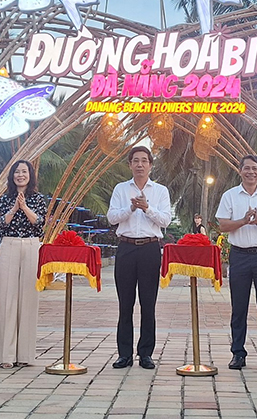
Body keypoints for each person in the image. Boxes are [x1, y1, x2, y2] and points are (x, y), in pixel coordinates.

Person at [215, 155, 257, 371]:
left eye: (255, 168)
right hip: (239, 255)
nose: (251, 172)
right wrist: (244, 221)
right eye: (247, 168)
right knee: (239, 307)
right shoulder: (230, 196)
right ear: (240, 170)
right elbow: (223, 226)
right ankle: (238, 353)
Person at [107, 146, 171, 370]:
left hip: (149, 249)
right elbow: (112, 217)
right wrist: (131, 209)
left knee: (148, 304)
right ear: (130, 164)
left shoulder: (160, 191)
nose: (140, 165)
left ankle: (146, 354)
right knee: (125, 304)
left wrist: (147, 208)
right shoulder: (121, 189)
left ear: (151, 165)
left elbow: (165, 220)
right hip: (126, 248)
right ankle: (124, 354)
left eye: (144, 161)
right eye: (136, 161)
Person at [0, 160, 47, 368]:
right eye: (17, 172)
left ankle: (25, 354)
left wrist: (25, 207)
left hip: (31, 245)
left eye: (24, 172)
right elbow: (0, 223)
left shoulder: (39, 199)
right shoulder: (5, 199)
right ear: (12, 176)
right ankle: (5, 355)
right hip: (10, 244)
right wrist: (15, 207)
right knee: (7, 297)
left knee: (29, 298)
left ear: (30, 175)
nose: (20, 175)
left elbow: (39, 223)